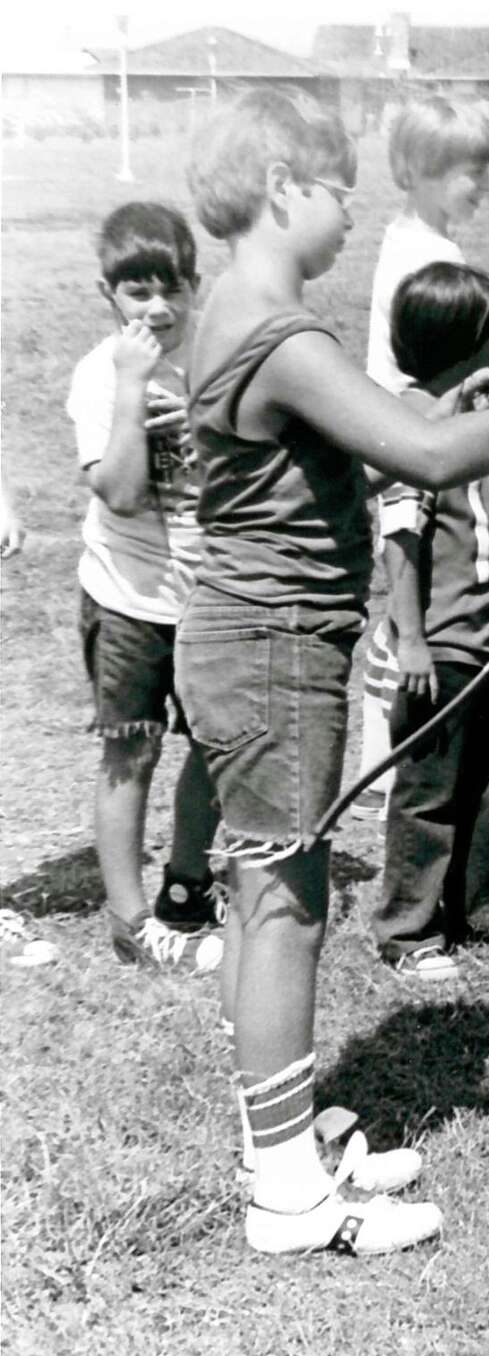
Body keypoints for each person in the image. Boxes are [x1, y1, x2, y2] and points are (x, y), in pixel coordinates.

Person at [177, 89, 489, 1258]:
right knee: (286, 904)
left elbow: (387, 424)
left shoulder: (234, 310)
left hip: (252, 640)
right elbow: (420, 456)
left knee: (268, 891)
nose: (345, 215)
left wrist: (444, 399)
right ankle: (285, 1193)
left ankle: (280, 1134)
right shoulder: (285, 334)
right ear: (284, 185)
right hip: (271, 646)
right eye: (334, 192)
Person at [370, 263, 489, 978]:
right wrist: (411, 639)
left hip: (481, 640)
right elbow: (400, 540)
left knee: (480, 778)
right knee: (428, 791)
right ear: (458, 347)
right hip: (436, 647)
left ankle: (486, 907)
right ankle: (407, 930)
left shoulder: (470, 414)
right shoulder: (413, 428)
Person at [66, 201, 224, 971]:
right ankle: (131, 921)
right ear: (109, 295)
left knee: (218, 746)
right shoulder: (102, 374)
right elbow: (122, 493)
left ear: (196, 285)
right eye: (137, 292)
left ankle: (187, 888)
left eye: (172, 289)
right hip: (128, 598)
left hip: (209, 596)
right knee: (131, 754)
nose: (157, 307)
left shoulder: (216, 356)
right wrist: (135, 392)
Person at [356, 93, 489, 819]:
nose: (483, 184)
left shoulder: (413, 232)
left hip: (408, 414)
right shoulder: (429, 250)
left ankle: (381, 756)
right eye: (468, 171)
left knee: (402, 591)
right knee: (408, 573)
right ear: (417, 169)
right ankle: (395, 760)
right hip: (411, 420)